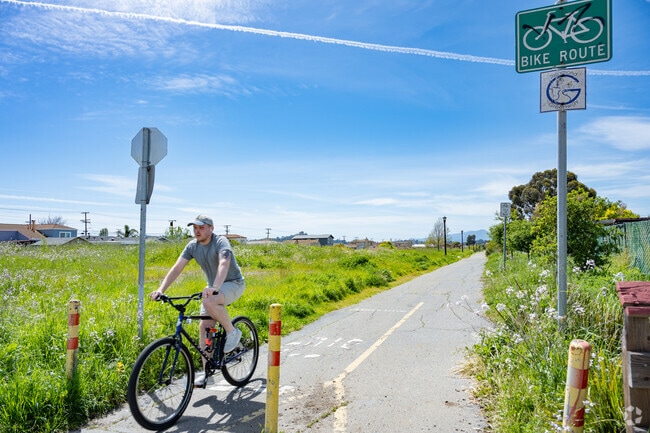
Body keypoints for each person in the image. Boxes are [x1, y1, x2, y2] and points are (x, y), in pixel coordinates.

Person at [150, 214, 246, 386]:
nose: (197, 231)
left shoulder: (220, 241)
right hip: (213, 288)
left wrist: (215, 287)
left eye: (201, 227)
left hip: (233, 283)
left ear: (211, 228)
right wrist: (161, 289)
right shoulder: (192, 246)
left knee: (209, 301)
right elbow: (177, 268)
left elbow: (224, 263)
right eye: (195, 228)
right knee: (205, 327)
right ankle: (207, 375)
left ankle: (233, 332)